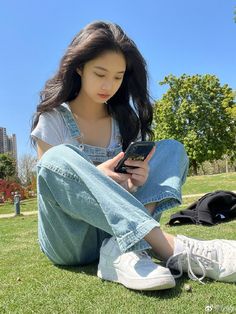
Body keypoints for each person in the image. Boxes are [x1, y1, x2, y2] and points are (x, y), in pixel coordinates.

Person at [31, 21, 236, 291]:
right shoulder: (53, 118)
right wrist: (96, 176)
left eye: (118, 77)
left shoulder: (122, 121)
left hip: (114, 231)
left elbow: (126, 187)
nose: (109, 85)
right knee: (55, 159)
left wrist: (133, 182)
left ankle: (121, 250)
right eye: (100, 73)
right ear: (79, 67)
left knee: (172, 149)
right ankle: (173, 248)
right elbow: (53, 184)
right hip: (70, 238)